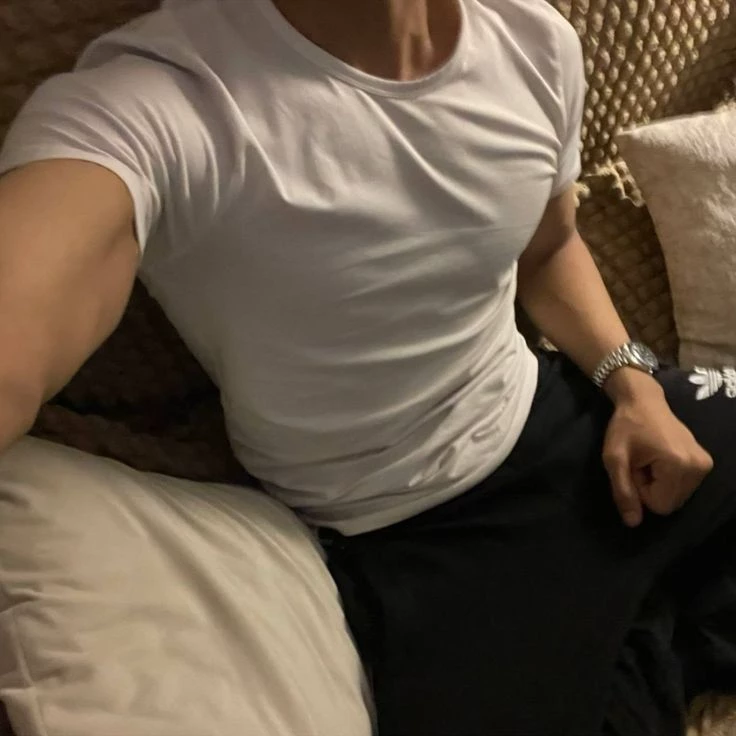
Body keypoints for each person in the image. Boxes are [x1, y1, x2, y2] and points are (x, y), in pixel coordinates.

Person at [0, 0, 734, 733]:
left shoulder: (534, 39)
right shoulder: (158, 103)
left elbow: (548, 250)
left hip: (571, 418)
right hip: (411, 537)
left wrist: (635, 389)